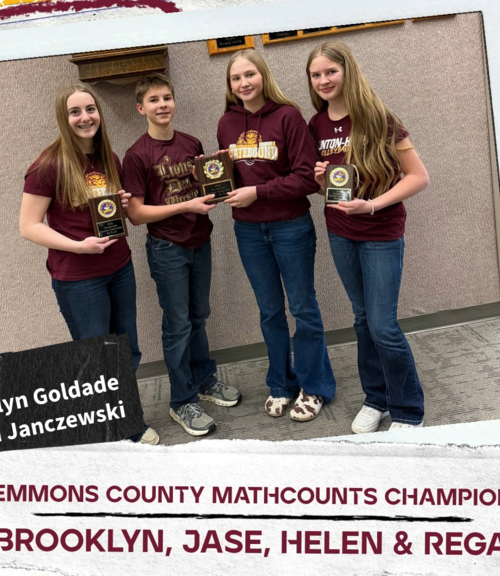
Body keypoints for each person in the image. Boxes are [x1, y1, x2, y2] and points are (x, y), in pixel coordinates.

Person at [19, 83, 158, 445]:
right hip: (79, 280)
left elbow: (105, 212)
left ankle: (124, 419)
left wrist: (121, 205)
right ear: (63, 118)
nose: (85, 118)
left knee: (126, 350)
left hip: (119, 268)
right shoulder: (47, 166)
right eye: (75, 112)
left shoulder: (107, 158)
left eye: (90, 109)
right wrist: (78, 247)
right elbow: (28, 226)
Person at [306, 41, 430, 433]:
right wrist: (320, 182)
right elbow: (332, 190)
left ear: (347, 71)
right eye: (316, 74)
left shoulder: (378, 118)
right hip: (340, 233)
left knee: (383, 326)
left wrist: (373, 205)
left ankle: (408, 409)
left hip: (380, 232)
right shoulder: (316, 124)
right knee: (362, 320)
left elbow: (418, 177)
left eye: (331, 71)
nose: (324, 80)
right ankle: (376, 398)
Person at [217, 48, 336, 422]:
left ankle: (315, 386)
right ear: (230, 85)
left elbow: (305, 178)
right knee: (269, 312)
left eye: (249, 74)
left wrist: (258, 192)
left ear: (263, 76)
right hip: (248, 230)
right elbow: (229, 177)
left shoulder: (288, 116)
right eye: (236, 78)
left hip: (290, 225)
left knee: (302, 308)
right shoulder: (226, 123)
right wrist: (211, 181)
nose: (244, 83)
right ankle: (281, 383)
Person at [123, 73, 241, 438]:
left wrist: (219, 177)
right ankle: (181, 401)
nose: (162, 105)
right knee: (178, 325)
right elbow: (136, 215)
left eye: (167, 98)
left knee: (199, 317)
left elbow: (206, 188)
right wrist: (186, 206)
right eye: (154, 100)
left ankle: (204, 380)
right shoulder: (136, 155)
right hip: (167, 248)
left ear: (174, 102)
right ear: (141, 108)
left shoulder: (192, 142)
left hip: (199, 241)